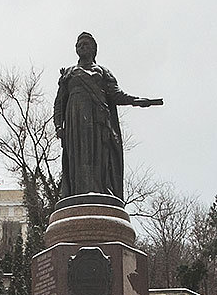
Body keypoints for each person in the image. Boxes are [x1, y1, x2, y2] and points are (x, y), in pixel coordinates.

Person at [53, 32, 161, 199]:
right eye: (79, 44)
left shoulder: (102, 72)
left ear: (94, 49)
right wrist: (59, 125)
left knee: (99, 157)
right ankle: (78, 194)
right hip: (75, 121)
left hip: (98, 120)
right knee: (77, 158)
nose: (82, 46)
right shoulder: (69, 73)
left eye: (86, 44)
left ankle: (98, 193)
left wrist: (136, 100)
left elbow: (116, 95)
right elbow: (59, 103)